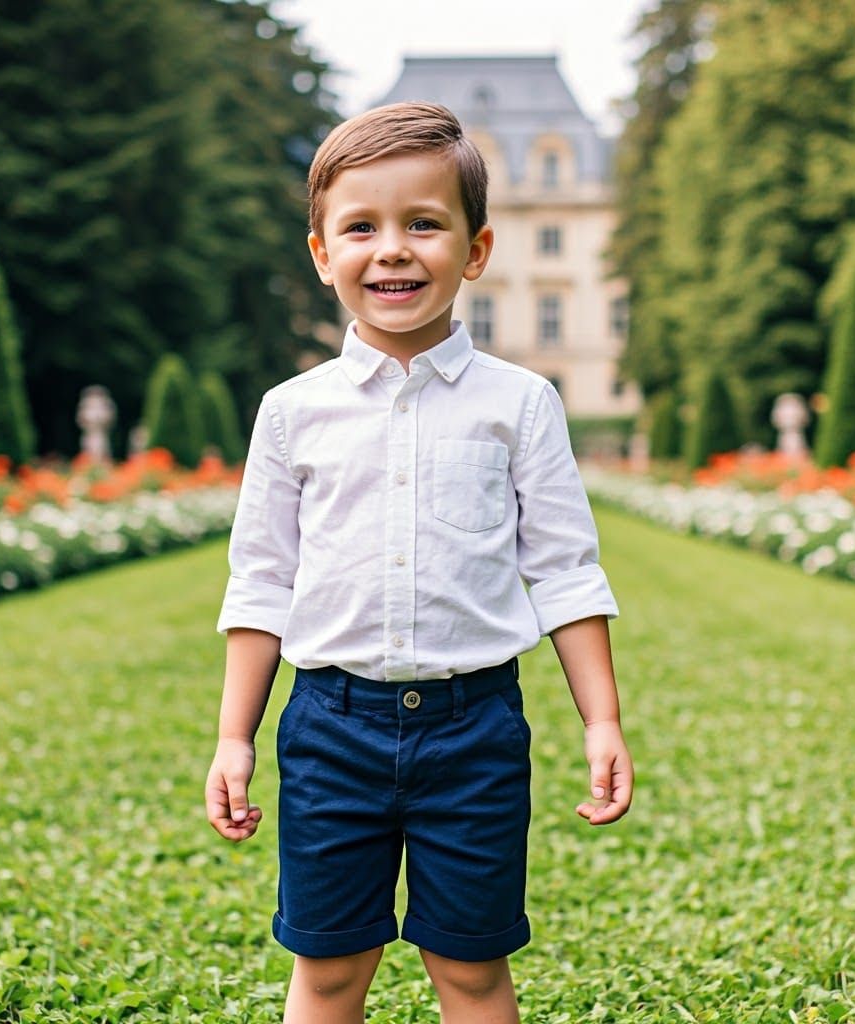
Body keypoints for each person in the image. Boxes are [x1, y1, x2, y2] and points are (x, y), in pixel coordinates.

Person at [205, 101, 633, 1024]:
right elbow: (262, 583)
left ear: (475, 251)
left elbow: (564, 569)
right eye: (361, 227)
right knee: (327, 970)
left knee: (471, 971)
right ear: (322, 254)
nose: (392, 249)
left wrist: (600, 721)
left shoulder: (521, 406)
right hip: (330, 729)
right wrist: (235, 735)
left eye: (423, 225)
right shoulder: (290, 413)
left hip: (473, 731)